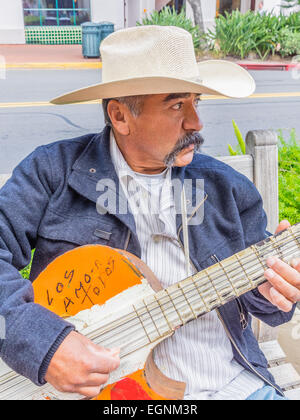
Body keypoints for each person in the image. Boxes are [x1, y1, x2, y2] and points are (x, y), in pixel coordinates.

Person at [0, 25, 299, 401]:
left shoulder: (227, 188)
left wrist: (273, 292)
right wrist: (44, 343)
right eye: (177, 105)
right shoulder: (52, 173)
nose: (196, 122)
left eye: (196, 102)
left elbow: (268, 307)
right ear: (120, 116)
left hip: (232, 384)